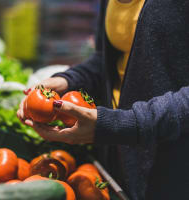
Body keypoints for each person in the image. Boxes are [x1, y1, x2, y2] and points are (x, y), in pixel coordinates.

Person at [17, 0, 189, 199]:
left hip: (171, 167)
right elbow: (105, 58)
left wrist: (122, 124)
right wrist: (67, 80)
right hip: (118, 155)